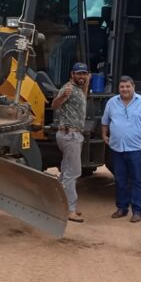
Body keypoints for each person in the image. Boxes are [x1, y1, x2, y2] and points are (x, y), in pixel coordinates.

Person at [101, 76, 141, 223]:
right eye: (122, 87)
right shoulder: (112, 102)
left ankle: (137, 211)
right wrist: (104, 134)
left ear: (133, 86)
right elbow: (105, 121)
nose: (125, 89)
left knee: (137, 180)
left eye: (127, 86)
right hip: (117, 148)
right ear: (119, 88)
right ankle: (122, 208)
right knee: (120, 179)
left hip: (135, 149)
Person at [52, 62, 90, 223]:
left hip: (73, 135)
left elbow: (83, 98)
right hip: (70, 135)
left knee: (66, 172)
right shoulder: (68, 88)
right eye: (78, 74)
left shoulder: (79, 90)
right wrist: (61, 96)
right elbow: (54, 105)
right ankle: (70, 209)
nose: (81, 76)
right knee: (72, 173)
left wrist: (87, 82)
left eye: (84, 74)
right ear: (72, 74)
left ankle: (59, 205)